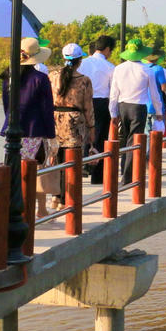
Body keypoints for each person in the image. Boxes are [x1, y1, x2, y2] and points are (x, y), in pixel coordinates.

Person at [45, 44, 95, 216]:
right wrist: (92, 128)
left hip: (55, 120)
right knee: (72, 162)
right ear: (80, 60)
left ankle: (56, 197)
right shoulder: (84, 80)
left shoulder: (52, 76)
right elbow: (88, 107)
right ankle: (67, 200)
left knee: (56, 160)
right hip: (75, 123)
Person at [0, 38, 56, 178]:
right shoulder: (41, 78)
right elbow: (47, 109)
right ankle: (24, 192)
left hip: (12, 129)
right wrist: (51, 135)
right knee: (27, 167)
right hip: (33, 129)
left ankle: (13, 190)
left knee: (12, 166)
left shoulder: (8, 77)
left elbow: (6, 105)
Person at [109, 38, 161, 183]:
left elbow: (114, 93)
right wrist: (158, 112)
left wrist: (113, 113)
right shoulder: (146, 70)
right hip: (138, 107)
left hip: (122, 106)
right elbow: (154, 93)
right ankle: (127, 176)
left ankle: (124, 170)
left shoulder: (118, 69)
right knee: (134, 141)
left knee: (125, 139)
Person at [77, 35, 116, 182]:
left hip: (82, 101)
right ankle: (97, 175)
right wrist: (114, 112)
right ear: (107, 49)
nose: (110, 53)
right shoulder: (110, 67)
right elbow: (113, 91)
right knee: (100, 138)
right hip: (101, 103)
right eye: (111, 51)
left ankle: (82, 165)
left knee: (82, 135)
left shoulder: (82, 63)